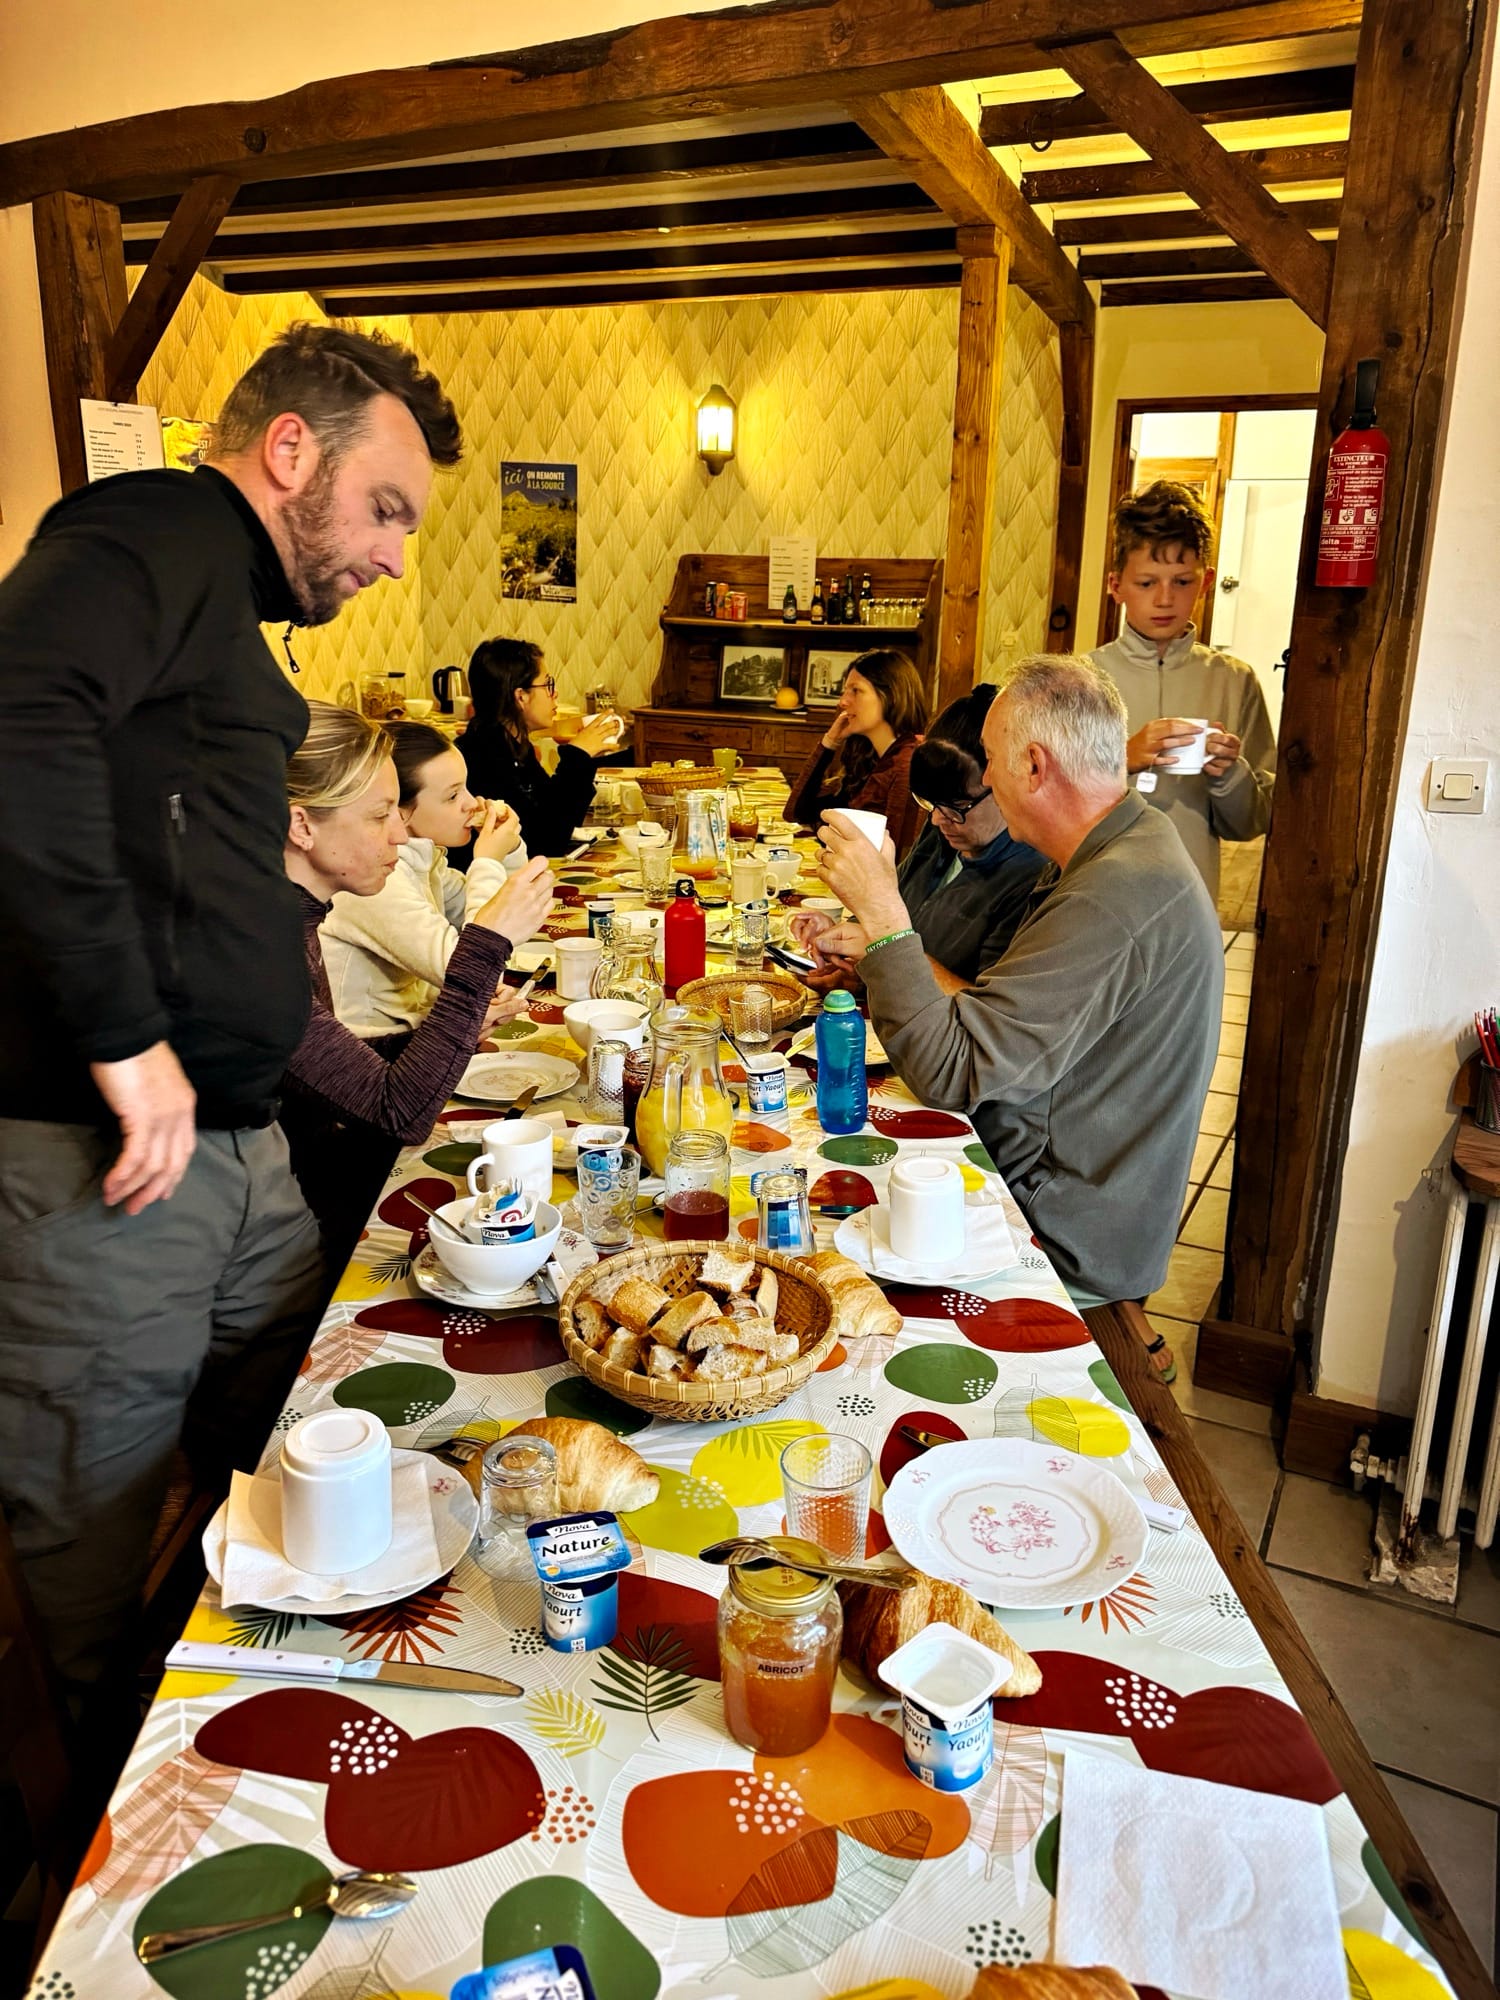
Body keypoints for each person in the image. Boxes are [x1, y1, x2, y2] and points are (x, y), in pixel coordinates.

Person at [0, 320, 463, 1697]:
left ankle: (256, 1692)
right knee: (95, 1520)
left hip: (242, 1145)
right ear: (289, 451)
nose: (393, 555)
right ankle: (103, 1794)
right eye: (386, 508)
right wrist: (125, 1037)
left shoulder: (222, 600)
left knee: (302, 1435)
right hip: (114, 1163)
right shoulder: (161, 524)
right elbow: (16, 711)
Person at [815, 655, 1223, 1370]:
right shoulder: (1128, 843)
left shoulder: (1114, 893)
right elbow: (997, 1025)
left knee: (824, 1273)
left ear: (1034, 765)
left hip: (1058, 1224)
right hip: (1056, 1177)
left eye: (992, 760)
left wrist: (882, 913)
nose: (988, 782)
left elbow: (952, 1073)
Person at [279, 705, 556, 1266]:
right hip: (296, 1214)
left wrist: (441, 1034)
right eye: (381, 815)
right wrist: (487, 941)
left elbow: (318, 1069)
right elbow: (398, 1112)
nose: (400, 834)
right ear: (302, 826)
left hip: (311, 1179)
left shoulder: (289, 919)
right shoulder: (261, 950)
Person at [789, 683, 1045, 994]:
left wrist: (881, 951)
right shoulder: (945, 830)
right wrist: (849, 952)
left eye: (956, 805)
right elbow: (894, 919)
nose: (937, 819)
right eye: (929, 803)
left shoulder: (1029, 878)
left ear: (1004, 782)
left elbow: (984, 1010)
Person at [1091, 479, 1276, 903]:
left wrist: (1229, 773)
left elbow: (1252, 822)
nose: (1164, 599)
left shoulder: (1234, 681)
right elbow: (1048, 804)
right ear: (1116, 585)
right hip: (1097, 896)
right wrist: (1122, 758)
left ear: (1206, 581)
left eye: (1181, 582)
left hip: (1191, 901)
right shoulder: (1084, 679)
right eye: (1146, 583)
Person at [322, 719, 528, 1038]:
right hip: (373, 1050)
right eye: (452, 796)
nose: (473, 803)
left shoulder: (422, 859)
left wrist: (509, 850)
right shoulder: (373, 880)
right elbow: (476, 974)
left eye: (466, 787)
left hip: (416, 1031)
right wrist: (487, 861)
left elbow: (512, 920)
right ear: (398, 809)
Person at [457, 637, 621, 857]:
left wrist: (584, 757)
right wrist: (578, 756)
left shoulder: (512, 745)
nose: (555, 694)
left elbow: (551, 809)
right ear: (521, 696)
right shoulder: (482, 756)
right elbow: (546, 839)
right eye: (548, 685)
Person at [783, 649, 930, 857]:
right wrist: (829, 742)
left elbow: (894, 859)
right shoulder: (870, 757)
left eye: (856, 691)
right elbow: (796, 812)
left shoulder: (906, 763)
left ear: (890, 696)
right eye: (845, 691)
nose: (843, 701)